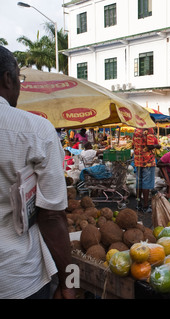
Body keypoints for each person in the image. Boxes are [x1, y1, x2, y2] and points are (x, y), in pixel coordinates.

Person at [0, 46, 75, 299]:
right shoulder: (36, 130)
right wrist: (69, 281)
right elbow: (52, 217)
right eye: (19, 78)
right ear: (7, 78)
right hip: (18, 278)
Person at [132, 128, 161, 214]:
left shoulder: (136, 129)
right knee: (146, 183)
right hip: (147, 161)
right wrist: (157, 146)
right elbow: (149, 146)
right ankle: (145, 206)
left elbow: (133, 144)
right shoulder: (149, 129)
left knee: (139, 182)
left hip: (138, 160)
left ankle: (138, 204)